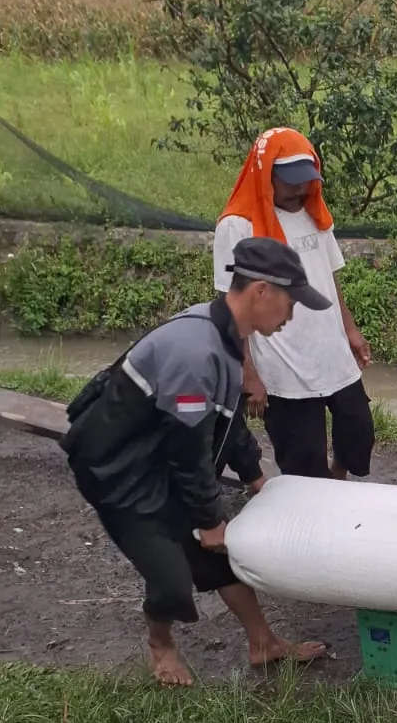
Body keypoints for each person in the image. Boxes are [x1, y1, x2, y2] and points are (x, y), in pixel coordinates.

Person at [62, 238, 329, 687]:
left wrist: (254, 476)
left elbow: (227, 421)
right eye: (291, 302)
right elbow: (188, 448)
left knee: (217, 555)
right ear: (261, 291)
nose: (292, 315)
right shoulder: (195, 352)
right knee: (171, 577)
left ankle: (263, 642)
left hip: (159, 455)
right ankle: (160, 645)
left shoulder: (226, 337)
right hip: (117, 471)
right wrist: (208, 519)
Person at [212, 127, 374, 482]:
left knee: (358, 429)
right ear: (264, 174)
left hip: (329, 348)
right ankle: (313, 504)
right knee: (303, 458)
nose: (300, 189)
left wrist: (349, 328)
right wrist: (248, 371)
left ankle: (338, 478)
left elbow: (329, 277)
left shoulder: (313, 213)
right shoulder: (237, 226)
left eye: (306, 180)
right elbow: (232, 306)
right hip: (282, 361)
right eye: (291, 182)